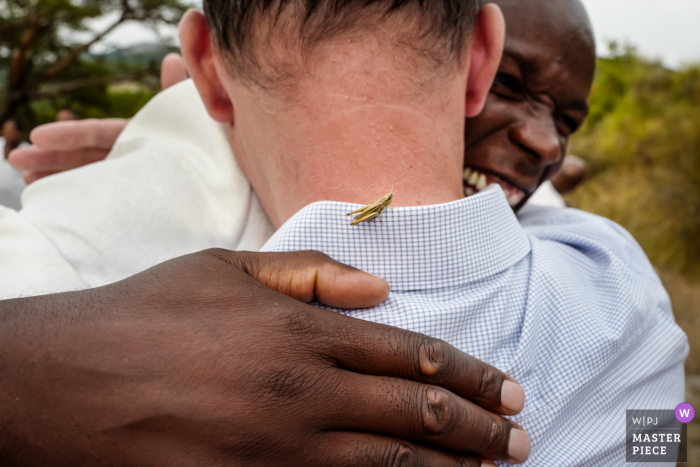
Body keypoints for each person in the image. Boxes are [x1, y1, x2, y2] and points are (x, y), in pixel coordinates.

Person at [0, 0, 687, 464]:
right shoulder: (615, 279)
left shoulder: (61, 287)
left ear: (208, 66)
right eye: (512, 84)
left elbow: (659, 434)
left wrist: (200, 130)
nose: (543, 142)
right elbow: (653, 429)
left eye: (567, 120)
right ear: (477, 57)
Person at [0, 119, 28, 209]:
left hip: (18, 203)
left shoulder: (27, 150)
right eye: (6, 129)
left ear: (20, 132)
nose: (9, 132)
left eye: (13, 130)